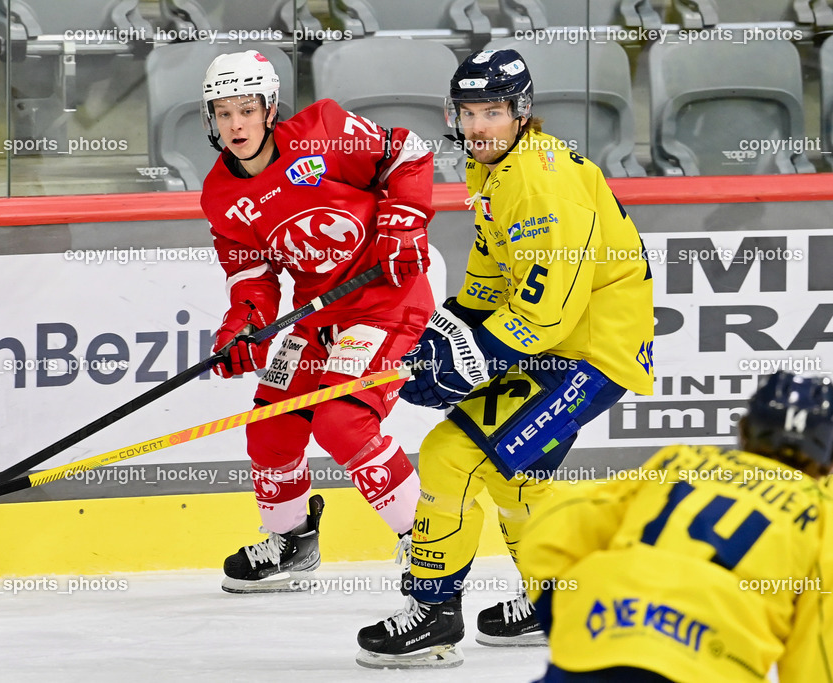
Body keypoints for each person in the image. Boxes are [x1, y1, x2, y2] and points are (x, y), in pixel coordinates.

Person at [356, 48, 655, 668]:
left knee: (451, 456)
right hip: (557, 343)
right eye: (467, 113)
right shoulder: (493, 167)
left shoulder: (543, 185)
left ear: (521, 113)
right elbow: (494, 280)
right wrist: (442, 336)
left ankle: (434, 618)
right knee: (515, 474)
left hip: (589, 354)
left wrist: (466, 359)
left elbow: (545, 315)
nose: (477, 127)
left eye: (491, 111)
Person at [199, 50, 436, 593]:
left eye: (246, 109)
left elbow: (408, 152)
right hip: (317, 316)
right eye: (223, 112)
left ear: (270, 108)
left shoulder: (324, 131)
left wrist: (401, 225)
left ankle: (427, 545)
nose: (235, 124)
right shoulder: (220, 195)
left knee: (342, 422)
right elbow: (252, 273)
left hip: (384, 300)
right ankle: (292, 543)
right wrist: (244, 327)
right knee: (270, 427)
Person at [522, 371, 833, 682]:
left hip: (601, 633)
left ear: (744, 430)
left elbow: (558, 520)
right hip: (712, 666)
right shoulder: (822, 514)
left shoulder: (680, 460)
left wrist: (562, 613)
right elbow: (817, 646)